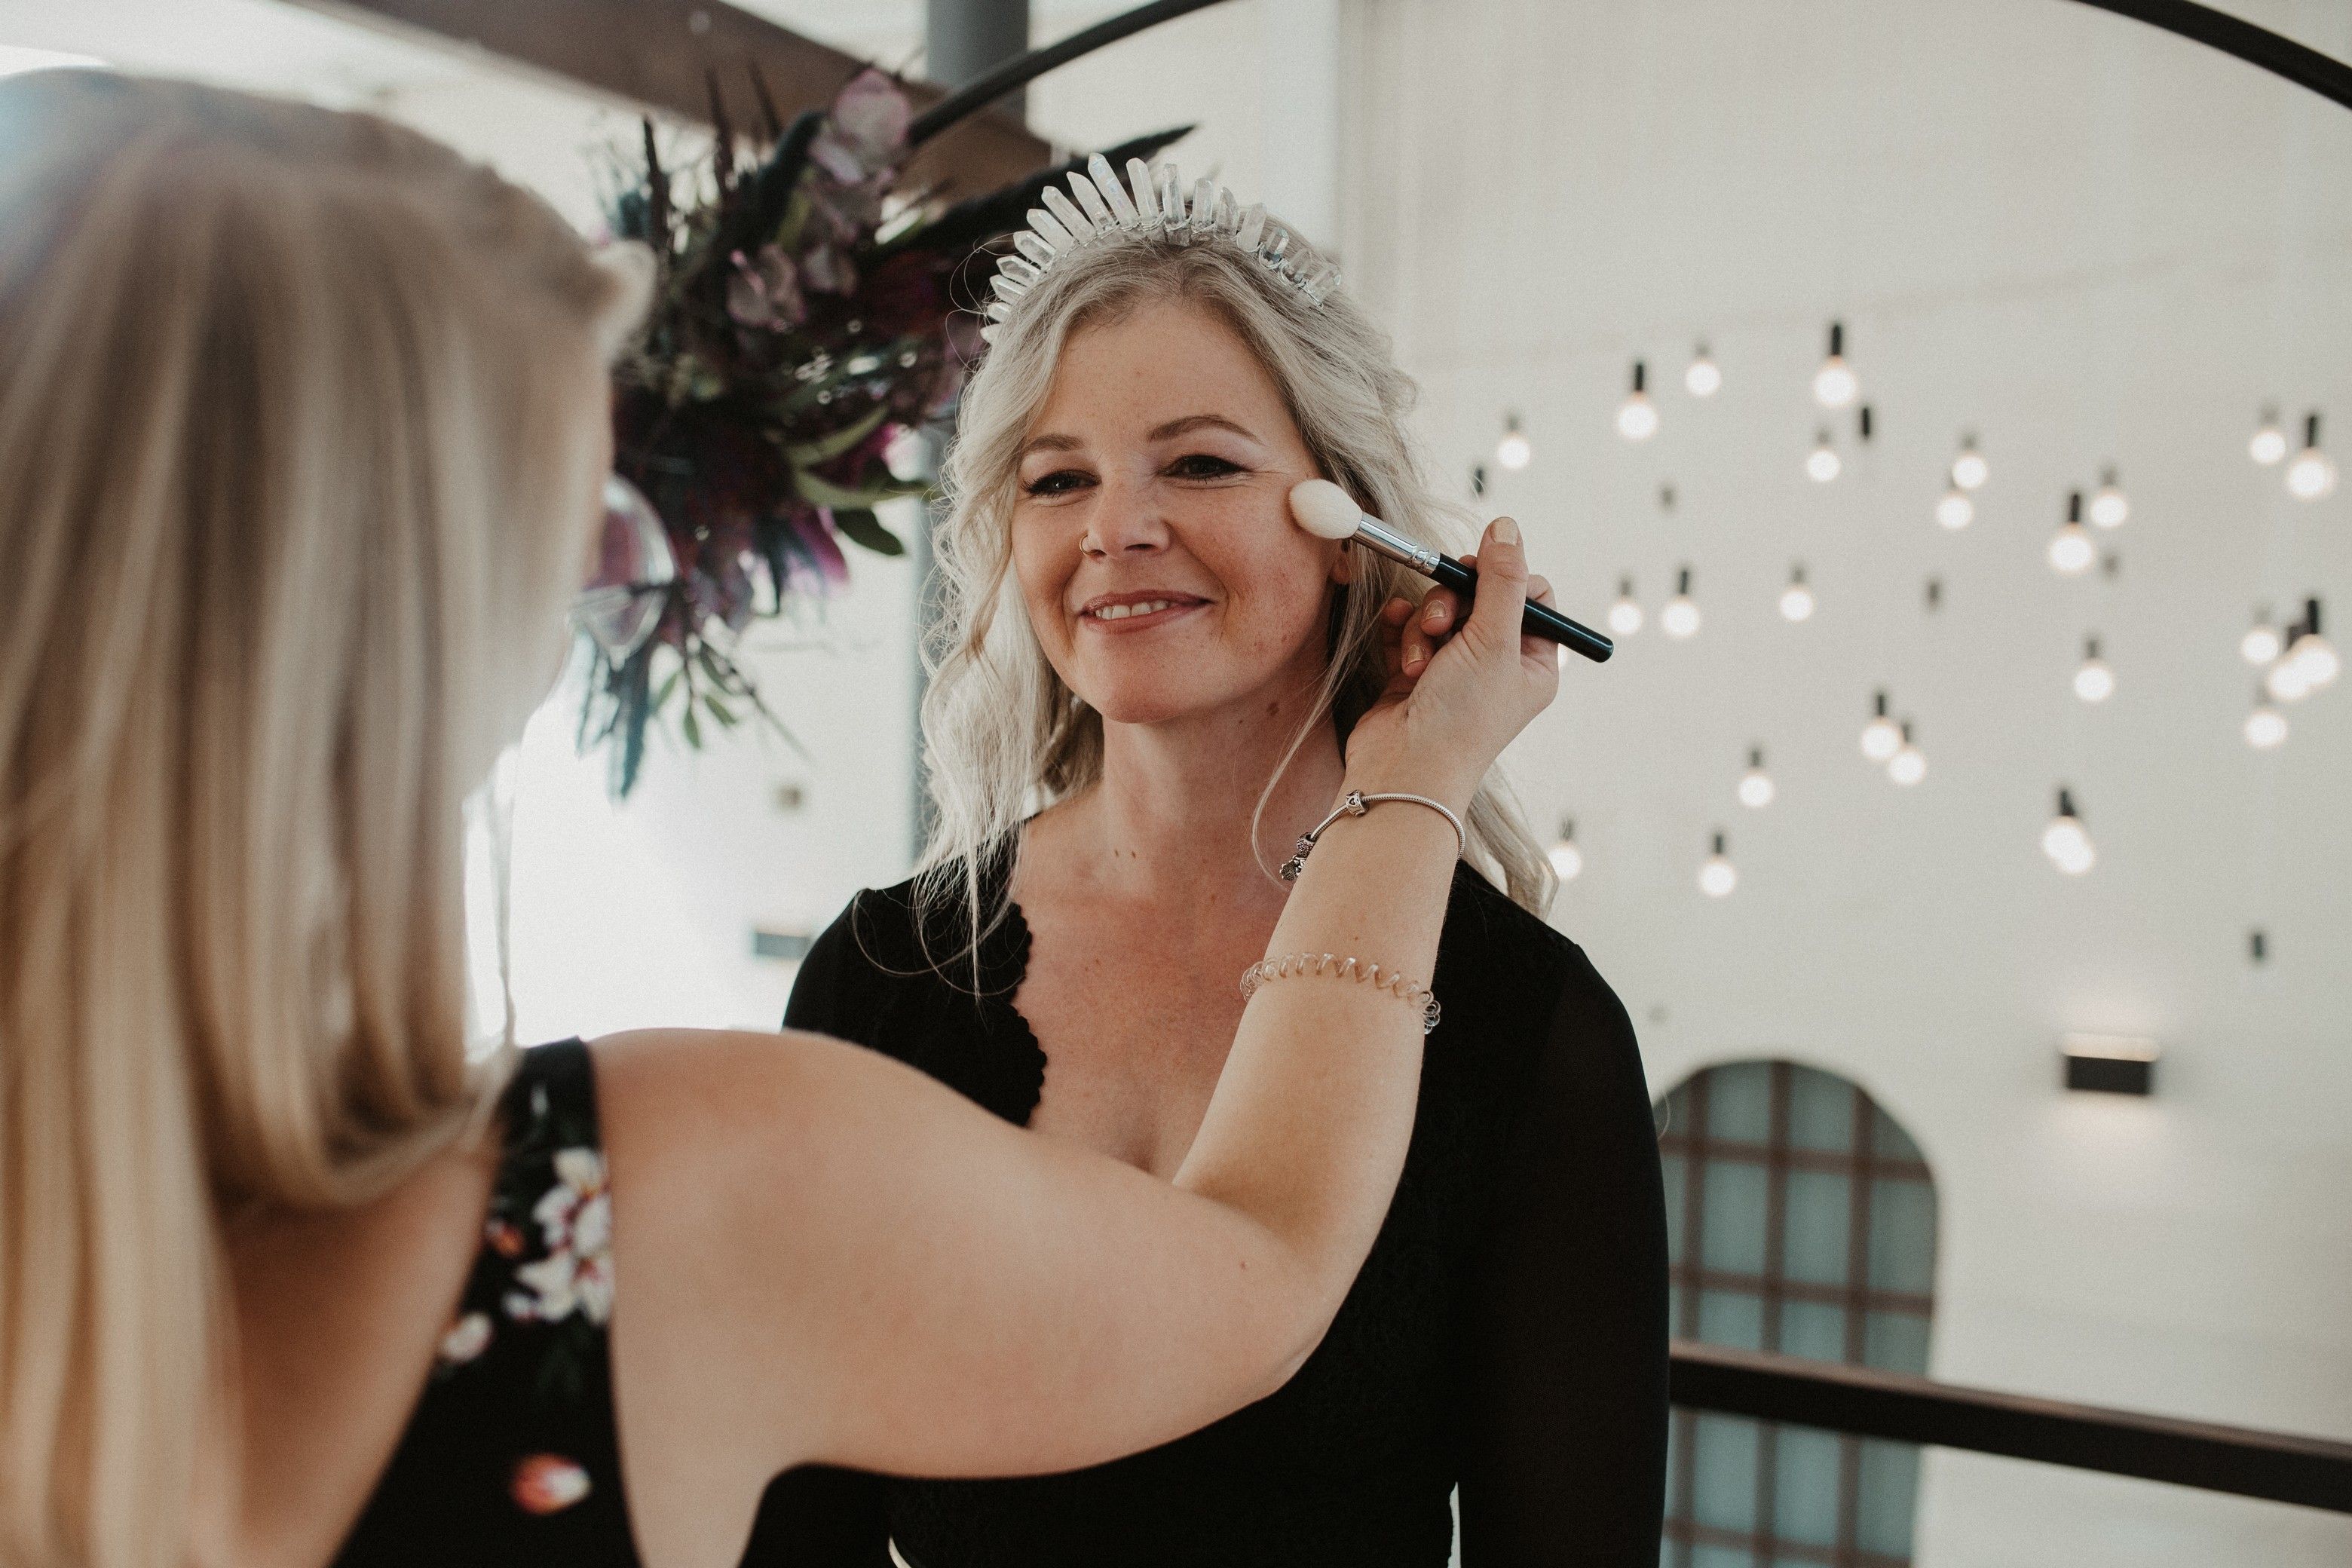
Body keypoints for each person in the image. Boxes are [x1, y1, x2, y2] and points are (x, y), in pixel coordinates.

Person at [0, 73, 1562, 1568]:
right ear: (406, 607)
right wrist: (1414, 780)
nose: (601, 586)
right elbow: (1265, 1259)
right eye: (576, 534)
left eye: (1200, 461)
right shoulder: (652, 1195)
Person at [749, 170, 1670, 1566]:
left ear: (1354, 530)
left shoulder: (1529, 1025)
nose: (1115, 528)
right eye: (1058, 479)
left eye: (1199, 465)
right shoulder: (883, 976)